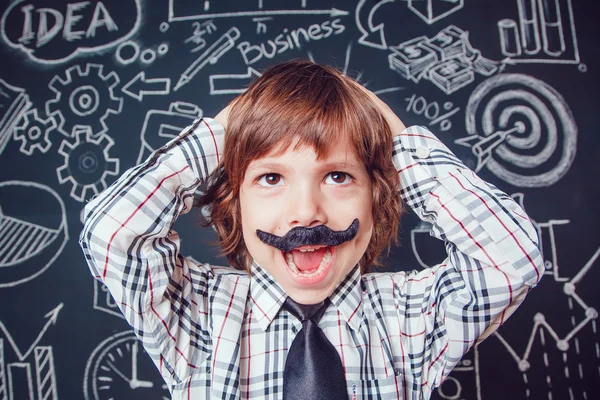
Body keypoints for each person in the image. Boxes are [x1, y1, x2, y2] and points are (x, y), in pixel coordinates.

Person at [80, 60, 544, 399]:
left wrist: (396, 143)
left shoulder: (411, 318)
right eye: (270, 178)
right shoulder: (196, 315)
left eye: (338, 177)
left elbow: (512, 258)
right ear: (234, 201)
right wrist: (233, 127)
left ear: (378, 194)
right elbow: (112, 233)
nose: (306, 213)